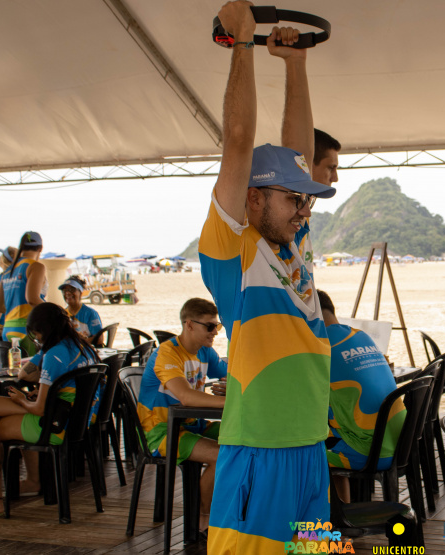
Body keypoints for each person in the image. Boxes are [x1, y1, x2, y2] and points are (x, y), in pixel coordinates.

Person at [200, 3, 337, 551]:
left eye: (306, 200)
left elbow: (301, 151)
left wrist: (295, 64)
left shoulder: (292, 242)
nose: (304, 210)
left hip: (310, 446)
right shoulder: (233, 249)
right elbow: (237, 140)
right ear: (253, 197)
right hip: (259, 448)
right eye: (292, 199)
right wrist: (243, 44)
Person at [0, 302, 98, 518]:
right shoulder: (82, 346)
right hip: (78, 421)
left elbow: (39, 409)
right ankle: (23, 480)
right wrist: (39, 392)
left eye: (36, 333)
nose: (36, 338)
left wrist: (23, 400)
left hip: (56, 424)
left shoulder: (53, 354)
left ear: (44, 330)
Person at [138, 298, 226, 533]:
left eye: (217, 326)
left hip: (191, 424)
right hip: (161, 430)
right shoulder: (166, 354)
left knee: (248, 437)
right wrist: (230, 401)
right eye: (209, 326)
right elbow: (186, 397)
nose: (215, 331)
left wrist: (230, 386)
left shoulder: (205, 352)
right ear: (189, 325)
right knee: (222, 455)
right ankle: (200, 516)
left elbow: (234, 374)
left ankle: (229, 509)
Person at [318, 290, 406, 502]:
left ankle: (322, 522)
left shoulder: (320, 346)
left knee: (303, 451)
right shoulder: (361, 335)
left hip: (369, 452)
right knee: (333, 433)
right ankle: (344, 511)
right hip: (401, 444)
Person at [0, 231, 46, 354]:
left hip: (8, 329)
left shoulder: (9, 270)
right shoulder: (36, 266)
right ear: (40, 248)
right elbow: (32, 299)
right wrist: (55, 312)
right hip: (28, 330)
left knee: (14, 371)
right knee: (32, 371)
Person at [57, 276, 102, 343]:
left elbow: (99, 340)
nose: (68, 293)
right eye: (64, 291)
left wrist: (79, 343)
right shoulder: (62, 314)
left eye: (72, 290)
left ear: (81, 292)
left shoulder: (90, 313)